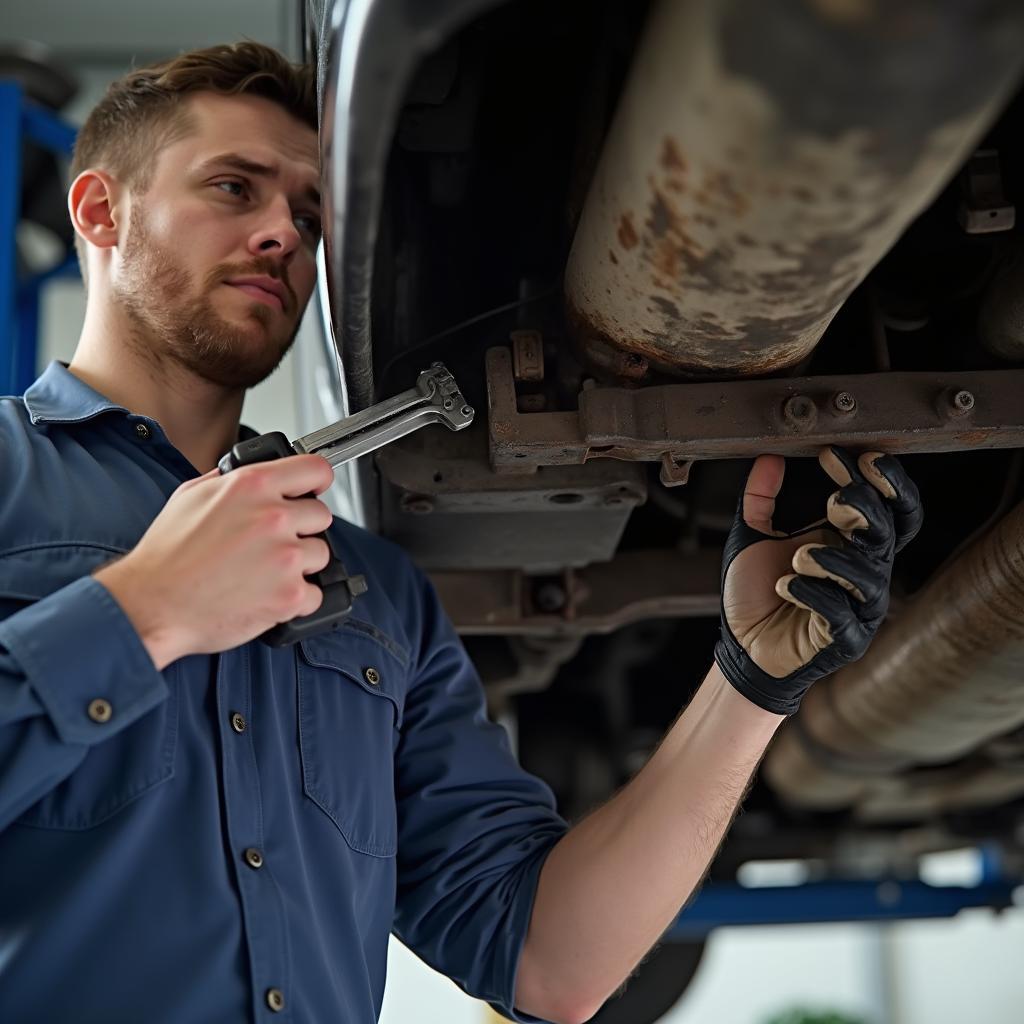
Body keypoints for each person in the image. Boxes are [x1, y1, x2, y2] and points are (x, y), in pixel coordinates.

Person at [0, 42, 921, 1024]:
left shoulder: (377, 592)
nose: (284, 232)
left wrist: (749, 686)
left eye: (310, 216)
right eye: (235, 187)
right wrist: (146, 611)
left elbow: (548, 963)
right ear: (101, 211)